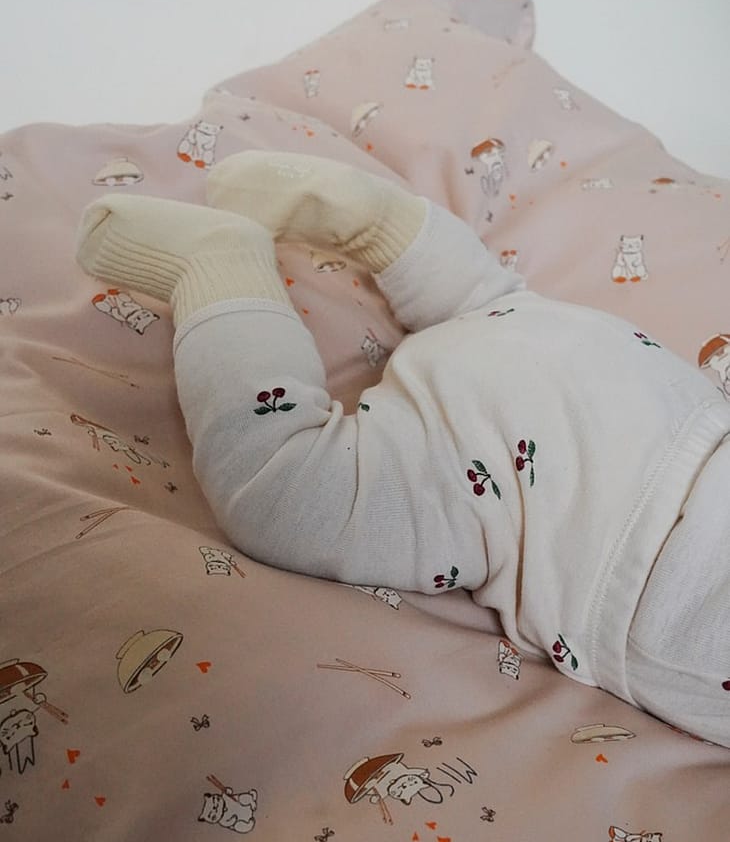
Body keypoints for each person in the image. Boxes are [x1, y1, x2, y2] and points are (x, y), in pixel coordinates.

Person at [76, 150, 730, 747]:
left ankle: (380, 222)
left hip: (653, 390)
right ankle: (217, 266)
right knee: (283, 488)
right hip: (580, 526)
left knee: (487, 300)